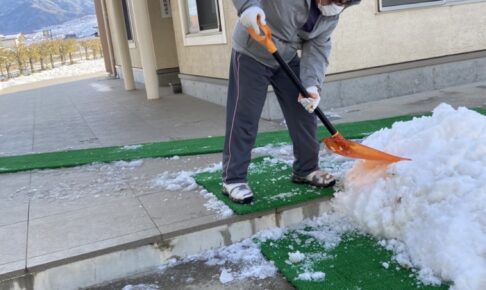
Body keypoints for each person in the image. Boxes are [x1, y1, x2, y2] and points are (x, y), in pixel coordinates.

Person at [222, 0, 361, 204]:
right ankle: (232, 178)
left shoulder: (331, 13)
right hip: (252, 51)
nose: (328, 2)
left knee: (304, 111)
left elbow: (317, 46)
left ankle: (306, 169)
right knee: (245, 116)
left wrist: (311, 86)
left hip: (285, 57)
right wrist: (248, 6)